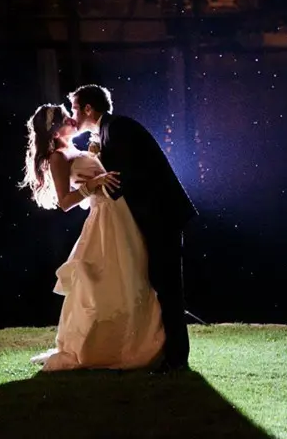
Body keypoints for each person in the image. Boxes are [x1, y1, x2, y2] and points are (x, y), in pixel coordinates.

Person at [19, 103, 165, 371]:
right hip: (105, 218)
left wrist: (96, 157)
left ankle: (134, 335)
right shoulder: (58, 158)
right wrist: (92, 185)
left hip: (119, 212)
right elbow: (65, 202)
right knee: (107, 278)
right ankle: (105, 345)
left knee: (131, 271)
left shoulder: (75, 149)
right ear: (54, 133)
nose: (72, 120)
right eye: (65, 119)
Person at [69, 84, 198, 372]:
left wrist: (101, 176)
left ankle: (177, 359)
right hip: (152, 215)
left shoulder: (118, 128)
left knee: (167, 286)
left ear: (89, 108)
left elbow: (123, 175)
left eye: (75, 109)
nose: (73, 115)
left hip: (161, 215)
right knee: (158, 281)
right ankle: (167, 352)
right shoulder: (107, 131)